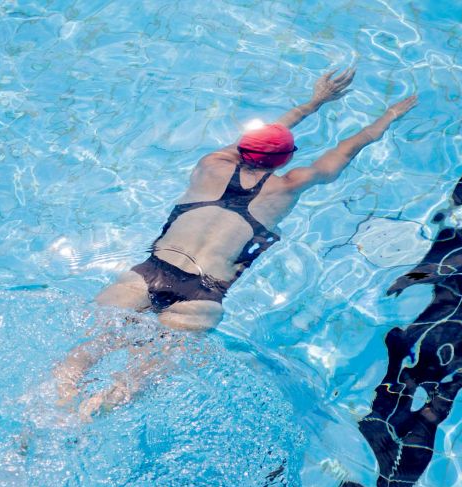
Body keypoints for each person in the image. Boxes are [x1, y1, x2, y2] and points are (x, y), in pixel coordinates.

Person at [56, 69, 416, 412]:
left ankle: (47, 413)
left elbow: (265, 135)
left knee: (83, 355)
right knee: (131, 382)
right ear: (287, 159)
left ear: (241, 147)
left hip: (146, 275)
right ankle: (84, 420)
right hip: (203, 296)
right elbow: (348, 148)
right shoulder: (290, 185)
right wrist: (389, 116)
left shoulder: (210, 162)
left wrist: (314, 102)